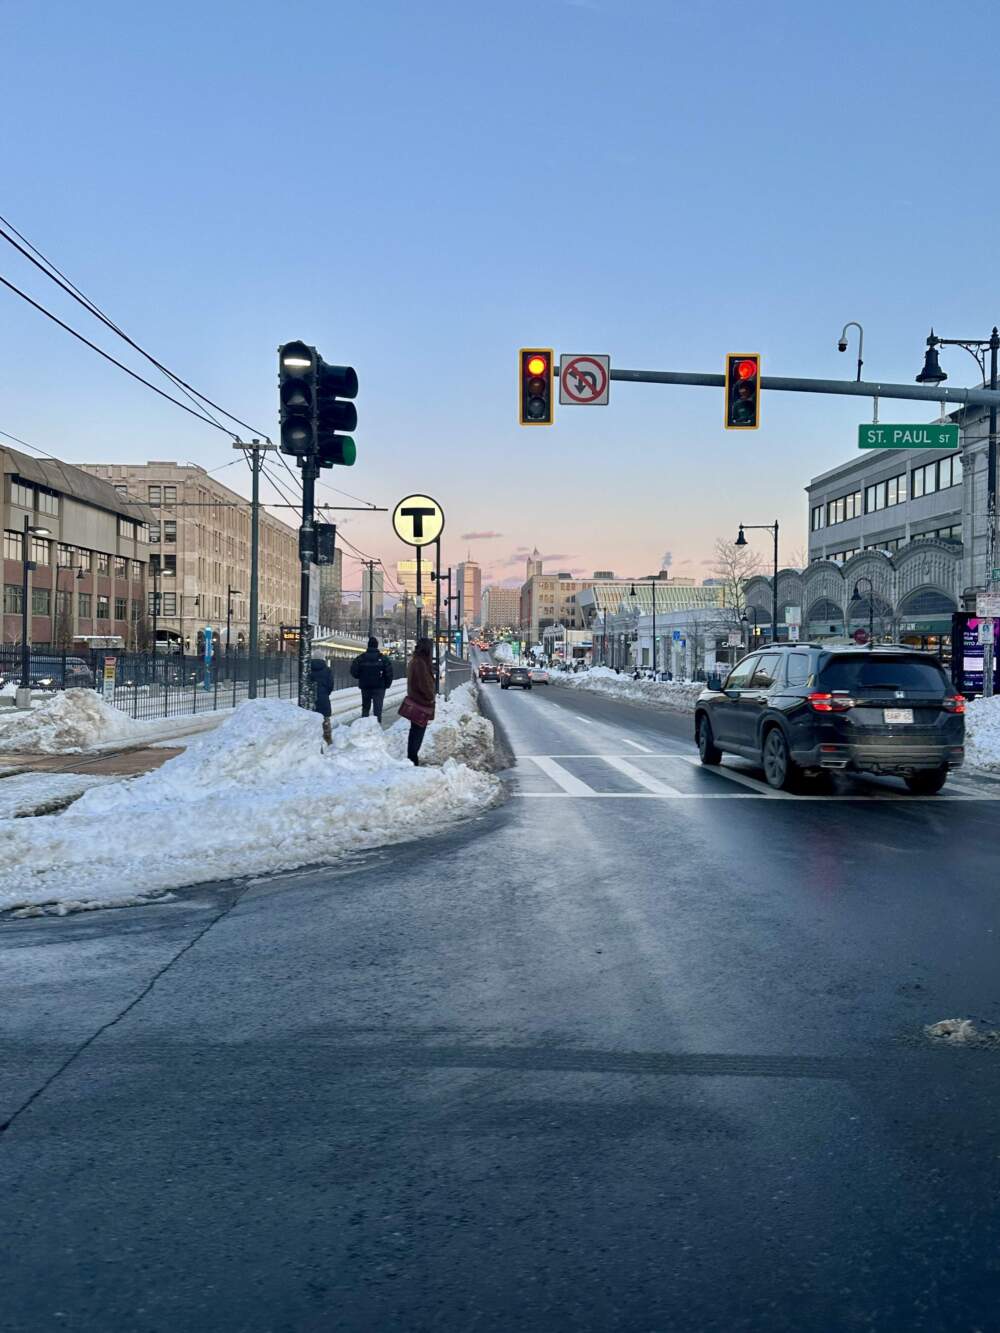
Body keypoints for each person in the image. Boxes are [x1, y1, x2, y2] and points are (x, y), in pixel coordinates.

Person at [403, 638, 436, 765]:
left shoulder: (416, 661)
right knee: (417, 732)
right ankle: (412, 759)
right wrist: (430, 696)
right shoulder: (420, 663)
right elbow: (424, 684)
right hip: (421, 703)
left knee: (415, 731)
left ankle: (412, 757)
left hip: (417, 700)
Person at [350, 636, 394, 722]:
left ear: (368, 645)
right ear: (377, 646)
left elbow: (353, 671)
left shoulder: (361, 658)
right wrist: (386, 684)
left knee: (365, 708)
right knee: (377, 709)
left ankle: (363, 726)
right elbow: (389, 673)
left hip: (365, 687)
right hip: (379, 687)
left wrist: (361, 677)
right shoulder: (383, 659)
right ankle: (376, 727)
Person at [309, 655, 334, 744]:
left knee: (312, 719)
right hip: (323, 697)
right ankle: (327, 740)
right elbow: (330, 685)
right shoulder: (327, 670)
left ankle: (314, 740)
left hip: (311, 697)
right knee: (325, 719)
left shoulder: (308, 669)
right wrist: (326, 693)